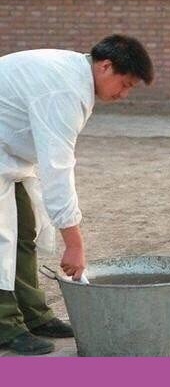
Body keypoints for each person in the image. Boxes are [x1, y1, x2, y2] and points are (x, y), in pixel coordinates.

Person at [0, 34, 154, 355]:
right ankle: (5, 325)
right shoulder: (63, 90)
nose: (124, 94)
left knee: (23, 231)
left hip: (7, 155)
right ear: (105, 66)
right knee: (1, 237)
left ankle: (33, 314)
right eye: (124, 84)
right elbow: (57, 169)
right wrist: (75, 243)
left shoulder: (73, 75)